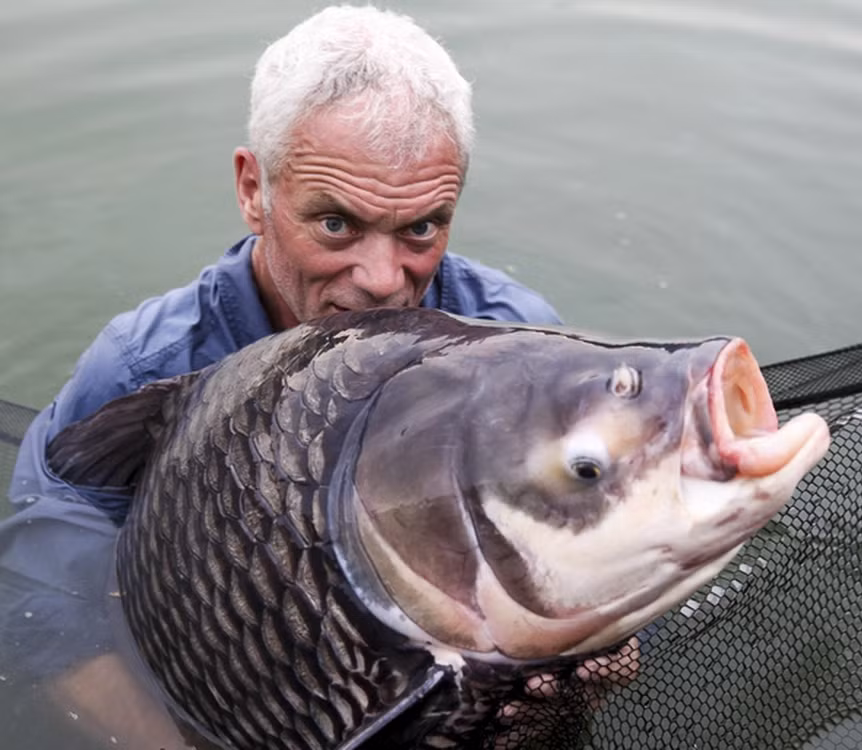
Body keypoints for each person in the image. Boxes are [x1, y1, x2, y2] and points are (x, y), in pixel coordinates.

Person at [0, 5, 634, 749]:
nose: (381, 280)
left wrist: (605, 647)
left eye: (421, 228)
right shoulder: (146, 365)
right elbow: (38, 595)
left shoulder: (520, 349)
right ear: (253, 190)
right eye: (336, 223)